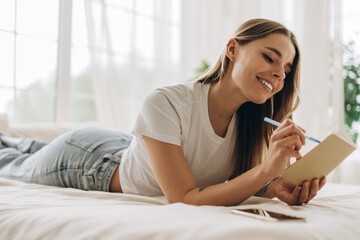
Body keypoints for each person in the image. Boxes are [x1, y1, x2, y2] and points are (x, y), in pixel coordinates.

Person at [0, 18, 326, 206]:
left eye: (286, 68)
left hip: (124, 149)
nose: (279, 74)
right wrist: (264, 172)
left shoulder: (253, 125)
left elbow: (222, 180)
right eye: (269, 58)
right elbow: (183, 198)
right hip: (87, 160)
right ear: (232, 49)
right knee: (11, 160)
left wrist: (272, 187)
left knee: (26, 146)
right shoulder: (166, 102)